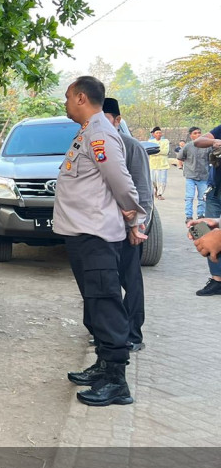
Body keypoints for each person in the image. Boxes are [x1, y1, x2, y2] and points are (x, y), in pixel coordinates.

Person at [54, 76, 145, 407]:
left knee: (105, 303)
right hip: (81, 233)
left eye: (67, 97)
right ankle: (104, 366)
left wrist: (134, 219)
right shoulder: (87, 132)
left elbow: (122, 183)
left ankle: (116, 381)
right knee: (95, 303)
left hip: (95, 235)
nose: (64, 103)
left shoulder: (101, 133)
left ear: (80, 98)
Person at [102, 98, 151, 350]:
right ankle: (112, 334)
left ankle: (133, 335)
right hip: (103, 230)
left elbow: (143, 191)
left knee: (130, 283)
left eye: (105, 119)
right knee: (108, 284)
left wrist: (139, 225)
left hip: (129, 229)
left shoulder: (131, 147)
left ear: (118, 121)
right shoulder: (95, 146)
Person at [189, 123, 221, 295]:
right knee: (202, 231)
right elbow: (199, 141)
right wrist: (215, 142)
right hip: (215, 190)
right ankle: (217, 279)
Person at [177, 127, 210, 221]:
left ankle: (200, 215)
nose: (198, 135)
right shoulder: (187, 146)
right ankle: (189, 216)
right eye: (195, 133)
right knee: (189, 197)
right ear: (191, 135)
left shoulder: (207, 146)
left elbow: (211, 159)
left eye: (199, 133)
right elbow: (180, 157)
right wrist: (181, 166)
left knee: (202, 197)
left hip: (204, 175)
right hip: (190, 175)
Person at [148, 127, 170, 199]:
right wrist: (158, 151)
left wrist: (156, 151)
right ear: (154, 134)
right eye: (157, 133)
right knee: (153, 180)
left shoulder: (165, 141)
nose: (159, 134)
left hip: (163, 164)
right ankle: (156, 190)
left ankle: (160, 194)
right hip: (153, 164)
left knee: (162, 180)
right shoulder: (150, 142)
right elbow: (150, 152)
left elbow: (165, 151)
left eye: (160, 133)